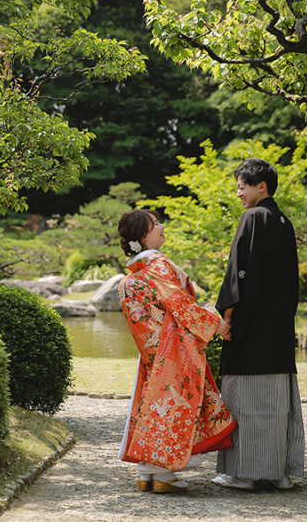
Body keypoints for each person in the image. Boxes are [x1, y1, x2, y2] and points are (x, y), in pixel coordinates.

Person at [117, 209, 237, 493]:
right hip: (172, 347)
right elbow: (178, 302)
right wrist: (215, 324)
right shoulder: (158, 264)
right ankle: (163, 474)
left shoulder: (133, 275)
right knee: (171, 403)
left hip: (151, 348)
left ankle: (147, 472)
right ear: (143, 236)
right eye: (155, 225)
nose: (162, 227)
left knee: (152, 402)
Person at [212, 158, 305, 491]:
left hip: (252, 330)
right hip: (278, 329)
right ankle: (279, 472)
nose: (239, 194)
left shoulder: (253, 217)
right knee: (277, 404)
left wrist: (227, 314)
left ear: (260, 186)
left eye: (241, 186)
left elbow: (241, 274)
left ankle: (246, 474)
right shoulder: (283, 220)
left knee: (246, 402)